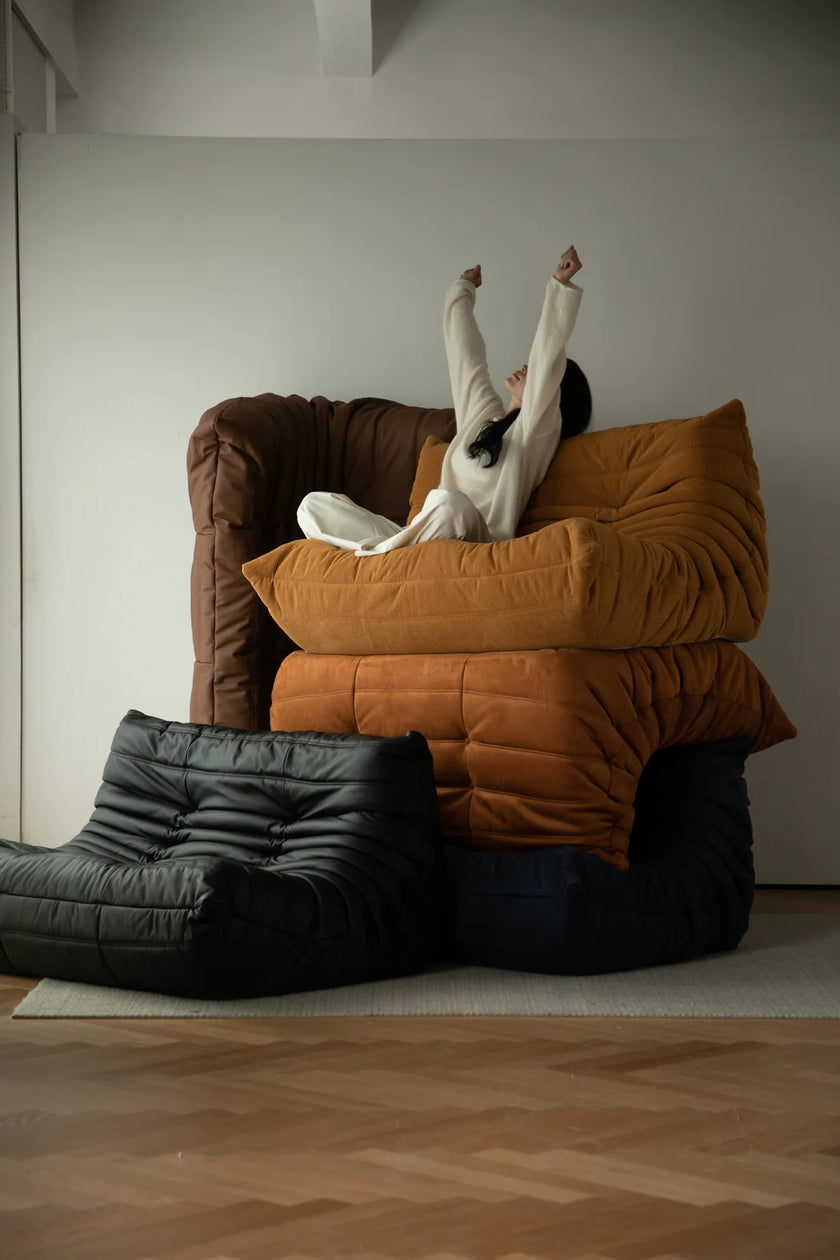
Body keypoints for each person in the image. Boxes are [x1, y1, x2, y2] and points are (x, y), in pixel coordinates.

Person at [297, 245, 590, 556]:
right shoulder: (482, 419)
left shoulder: (535, 437)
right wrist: (462, 292)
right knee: (312, 505)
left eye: (536, 371)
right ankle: (390, 554)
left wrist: (560, 285)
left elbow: (546, 361)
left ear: (554, 396)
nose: (525, 367)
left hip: (476, 538)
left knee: (450, 504)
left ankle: (384, 555)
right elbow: (465, 359)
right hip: (423, 534)